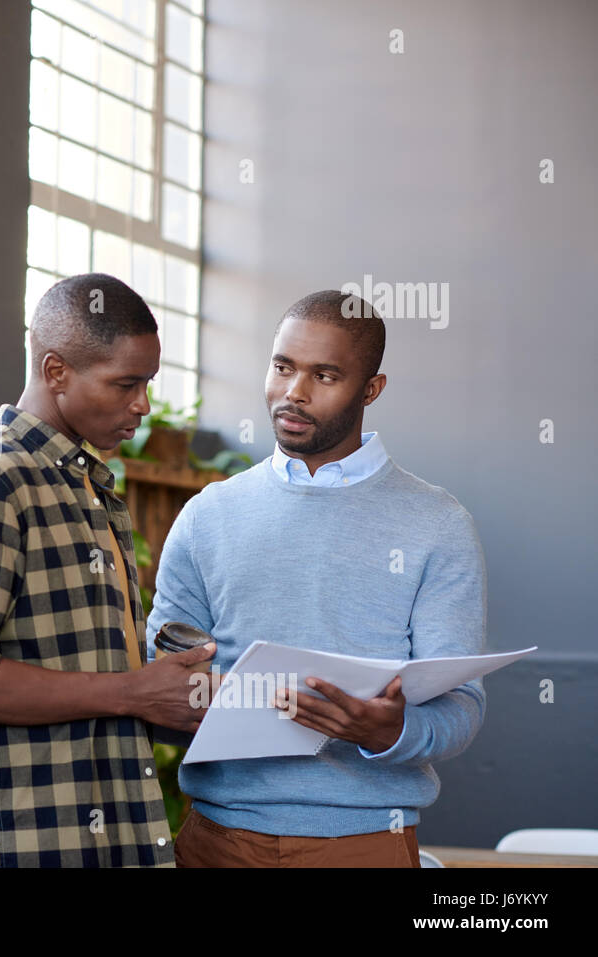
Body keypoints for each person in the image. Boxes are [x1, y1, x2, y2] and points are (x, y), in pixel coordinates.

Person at [147, 289, 488, 867]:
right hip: (214, 843)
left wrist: (389, 732)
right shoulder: (208, 515)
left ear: (371, 390)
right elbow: (163, 679)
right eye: (283, 367)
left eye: (324, 375)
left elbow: (461, 706)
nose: (293, 393)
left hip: (364, 847)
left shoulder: (438, 524)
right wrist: (198, 701)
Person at [0, 273, 217, 867]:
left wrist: (176, 693)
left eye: (147, 384)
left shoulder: (89, 489)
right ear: (55, 371)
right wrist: (134, 692)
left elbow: (94, 677)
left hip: (106, 833)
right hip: (23, 844)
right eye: (125, 384)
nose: (143, 405)